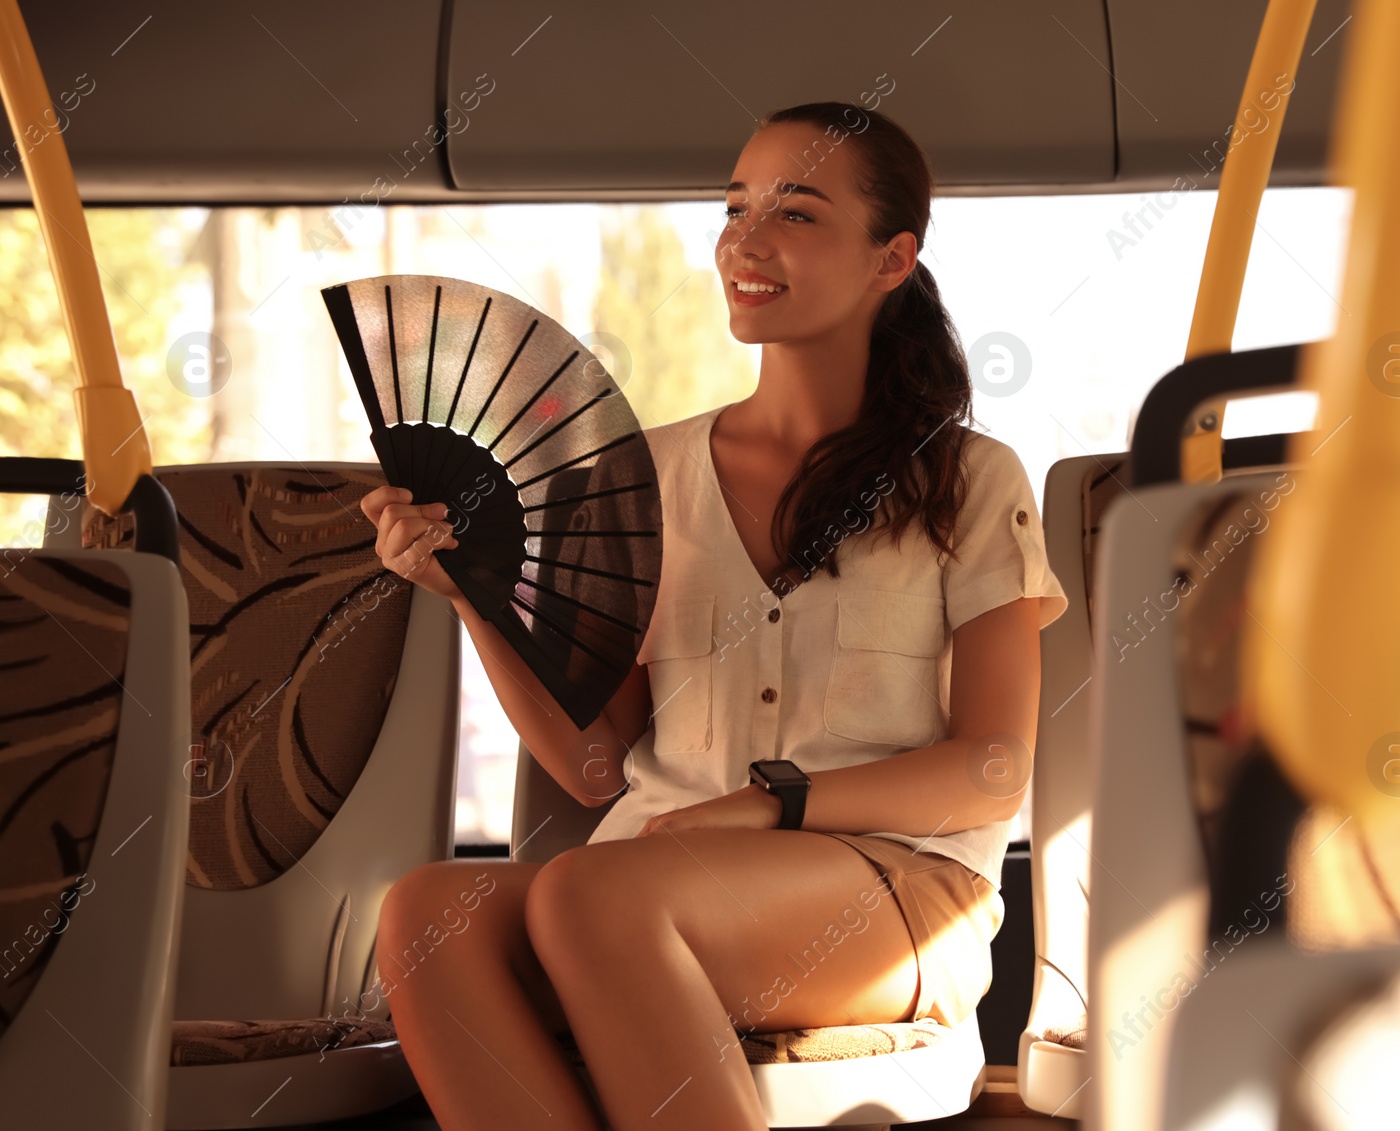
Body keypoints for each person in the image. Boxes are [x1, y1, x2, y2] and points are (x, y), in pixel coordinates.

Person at [360, 100, 1068, 1130]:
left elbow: (992, 767)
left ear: (890, 259)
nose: (744, 239)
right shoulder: (643, 477)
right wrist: (476, 598)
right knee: (428, 914)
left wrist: (765, 803)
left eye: (796, 213)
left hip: (895, 890)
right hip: (645, 873)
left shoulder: (968, 477)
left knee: (590, 894)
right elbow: (600, 771)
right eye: (735, 209)